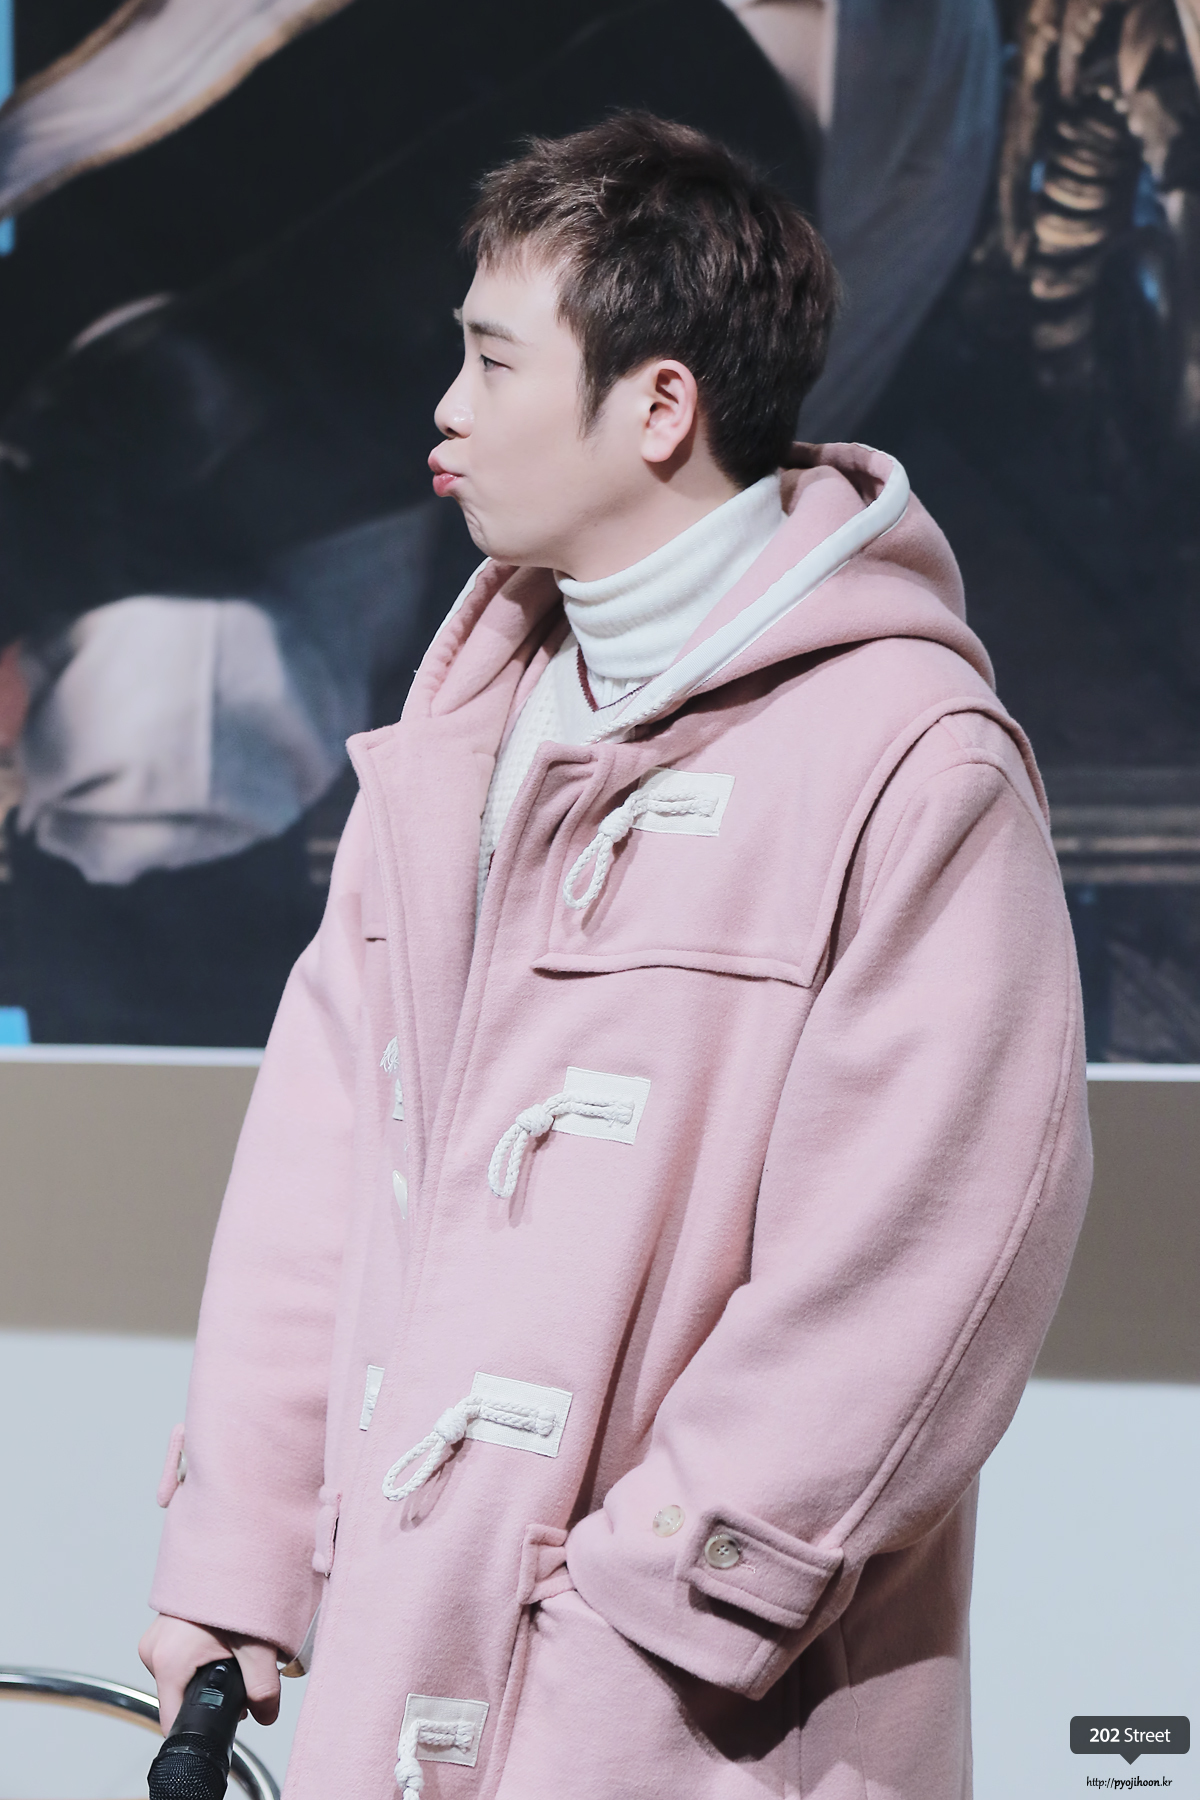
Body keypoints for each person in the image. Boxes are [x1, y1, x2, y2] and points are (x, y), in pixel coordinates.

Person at [140, 114, 1091, 1799]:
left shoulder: (910, 758)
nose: (448, 407)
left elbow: (921, 1268)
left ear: (659, 406)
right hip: (399, 1681)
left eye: (494, 361)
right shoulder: (455, 746)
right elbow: (317, 1173)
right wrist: (240, 1556)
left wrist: (642, 1615)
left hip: (703, 1729)